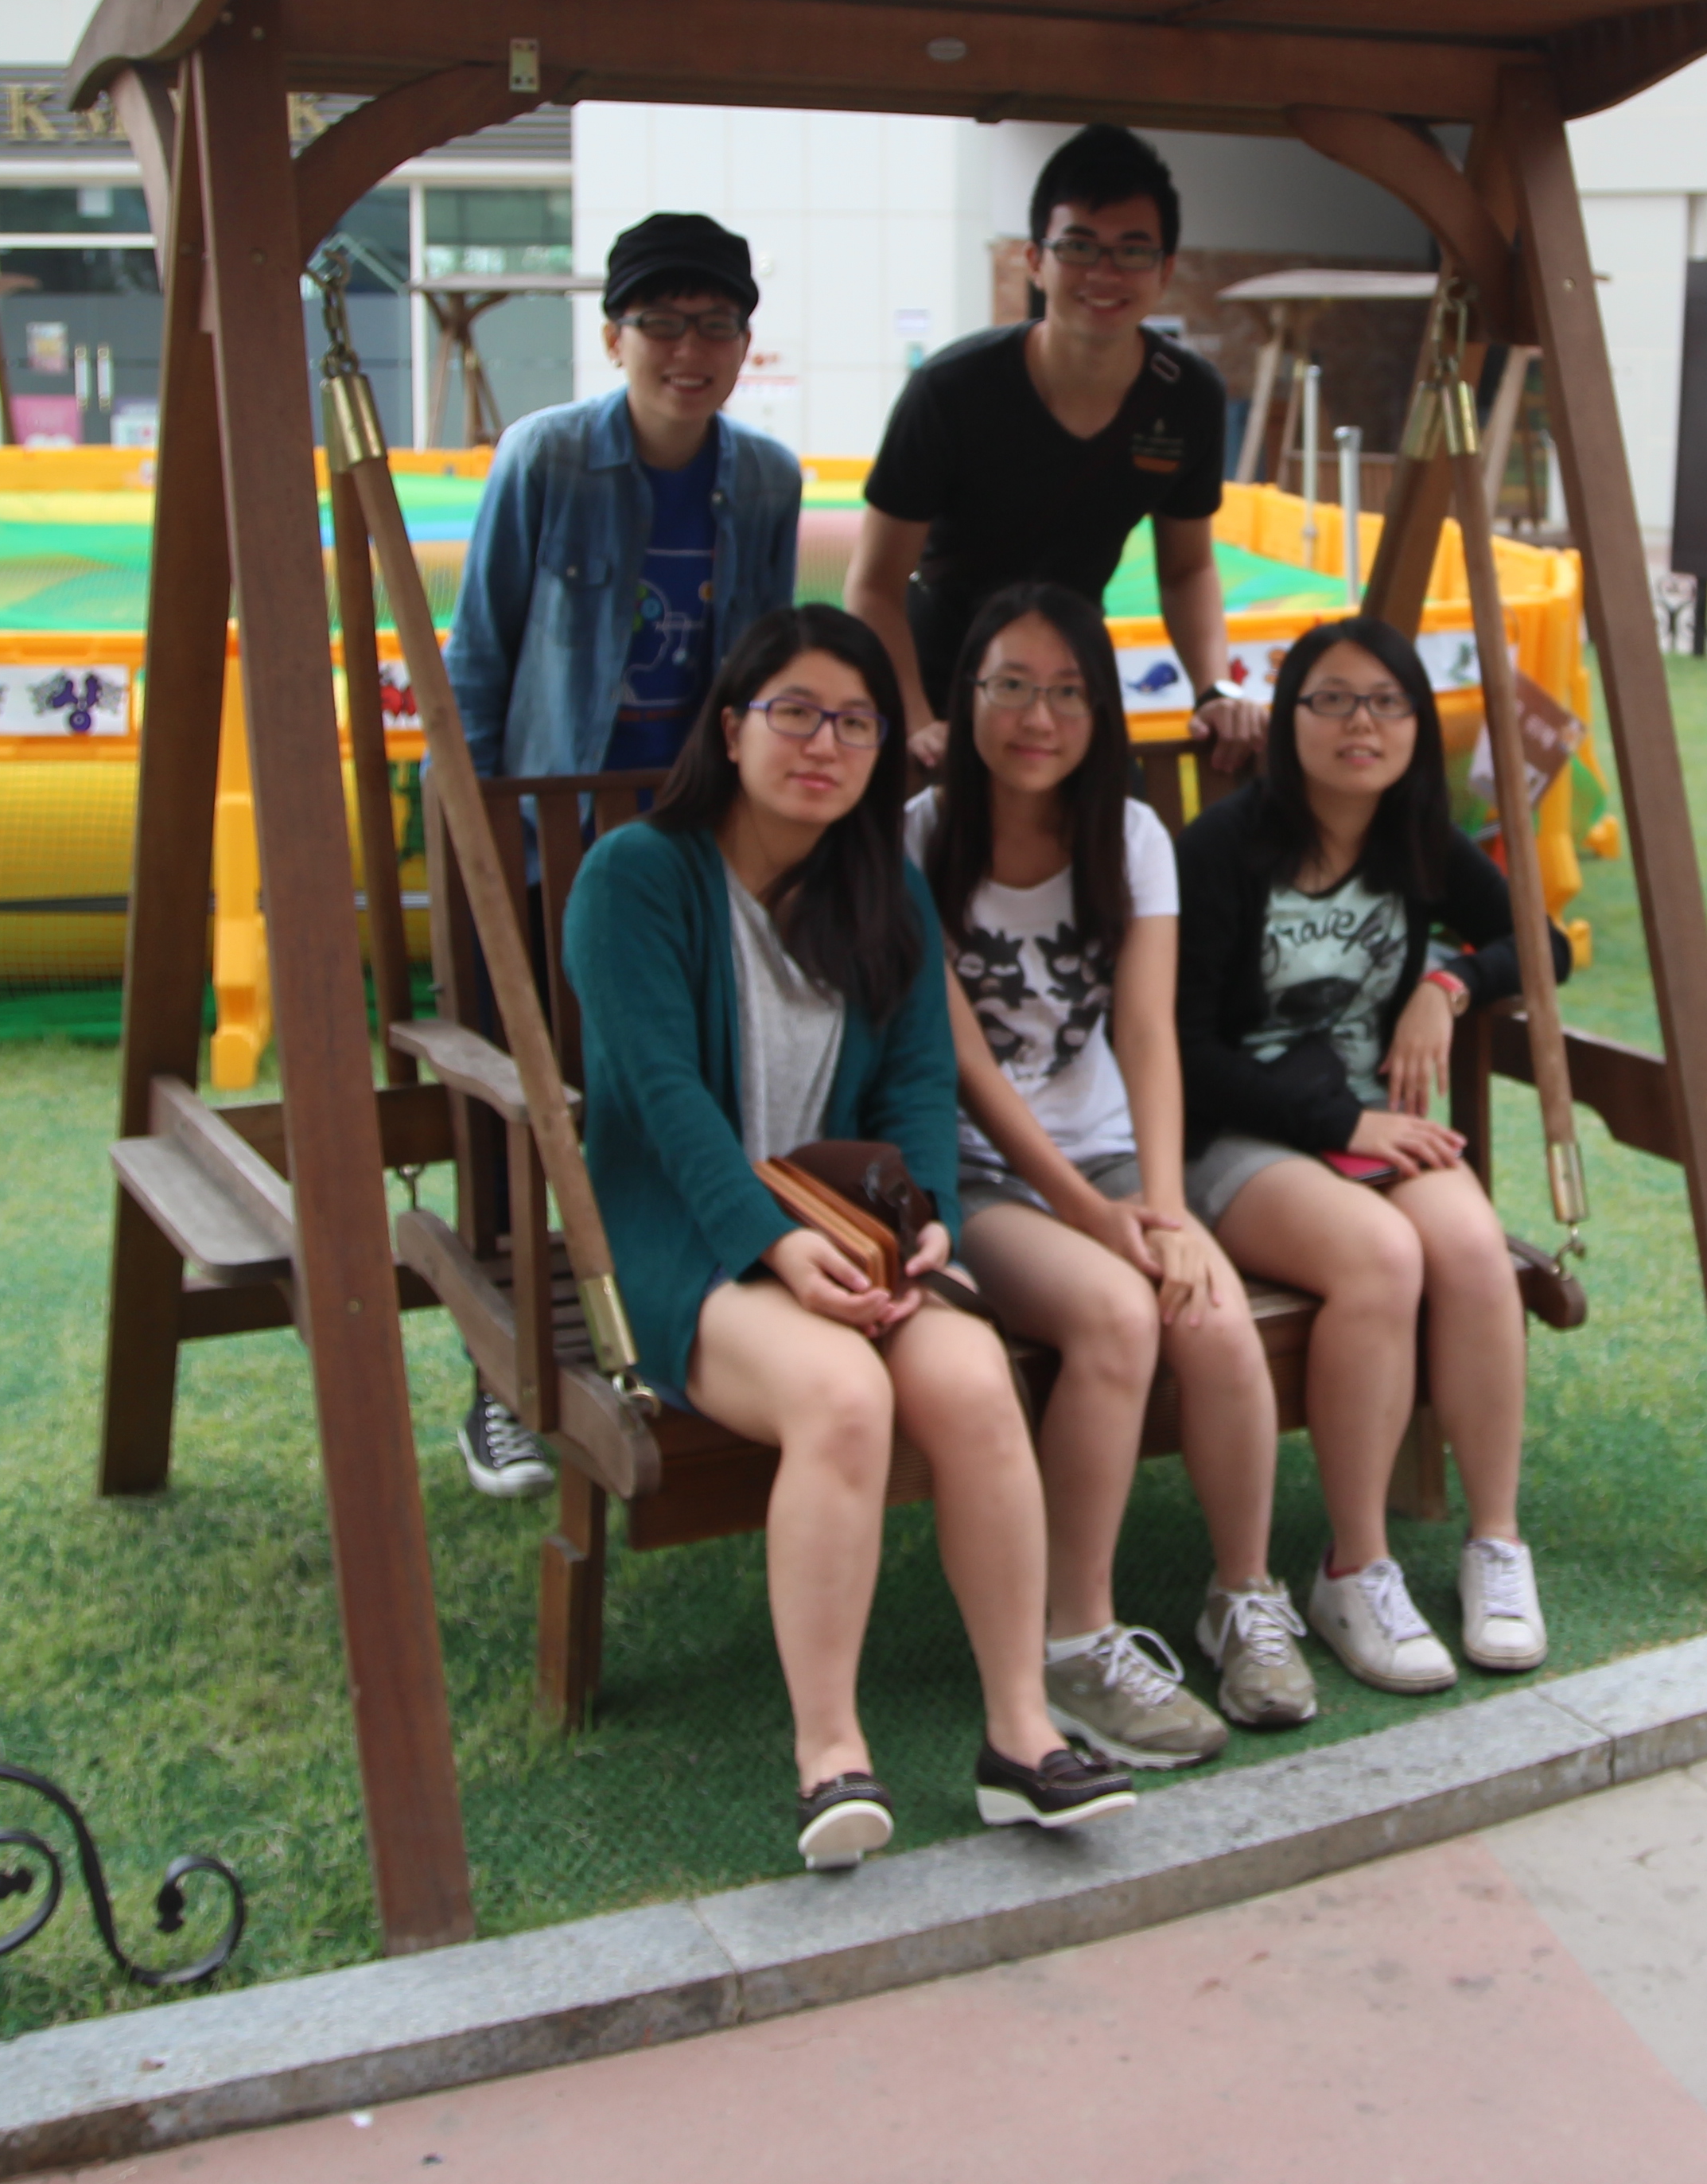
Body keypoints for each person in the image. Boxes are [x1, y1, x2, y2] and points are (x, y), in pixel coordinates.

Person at [564, 606, 1134, 1867]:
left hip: (854, 1239)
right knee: (843, 1397)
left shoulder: (882, 892)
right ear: (733, 727)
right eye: (797, 713)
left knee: (977, 1385)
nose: (826, 744)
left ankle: (1020, 1735)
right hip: (696, 1245)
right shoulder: (638, 878)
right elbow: (663, 1101)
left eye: (859, 722)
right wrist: (774, 1247)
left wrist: (923, 1225)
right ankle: (831, 1752)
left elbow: (916, 1091)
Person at [907, 582, 1317, 1765]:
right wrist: (1099, 1218)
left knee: (1216, 1317)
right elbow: (966, 1064)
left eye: (1070, 692)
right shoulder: (917, 838)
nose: (1039, 715)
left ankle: (1243, 1596)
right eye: (1011, 687)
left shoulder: (1131, 836)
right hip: (981, 1177)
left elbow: (1145, 1034)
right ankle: (1073, 1639)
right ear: (967, 698)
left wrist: (1171, 1210)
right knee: (1114, 1315)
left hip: (1113, 1157)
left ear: (1103, 708)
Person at [439, 210, 803, 1500]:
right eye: (661, 324)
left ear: (744, 342)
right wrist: (485, 849)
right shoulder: (545, 459)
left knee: (691, 1090)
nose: (687, 350)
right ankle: (503, 1382)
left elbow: (762, 673)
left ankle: (691, 1325)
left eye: (714, 326)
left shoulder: (762, 480)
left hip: (688, 853)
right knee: (535, 1109)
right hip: (547, 852)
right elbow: (476, 664)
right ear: (614, 335)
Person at [1175, 617, 1568, 1693]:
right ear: (1287, 718)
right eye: (1332, 700)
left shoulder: (1417, 846)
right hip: (1240, 1139)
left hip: (1371, 1129)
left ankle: (1496, 1541)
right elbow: (1183, 1050)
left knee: (1476, 1252)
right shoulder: (1220, 853)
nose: (1364, 724)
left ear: (1415, 727)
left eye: (1388, 703)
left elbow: (1543, 947)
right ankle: (1354, 1564)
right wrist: (1344, 1127)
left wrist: (1444, 989)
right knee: (1381, 1261)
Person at [850, 124, 1267, 777]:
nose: (1104, 273)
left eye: (1132, 251)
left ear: (1165, 270)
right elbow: (874, 582)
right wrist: (915, 720)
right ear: (1034, 260)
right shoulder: (952, 388)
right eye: (1079, 246)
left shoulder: (1187, 397)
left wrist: (1214, 688)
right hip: (943, 680)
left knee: (1105, 858)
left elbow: (1187, 569)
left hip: (1075, 674)